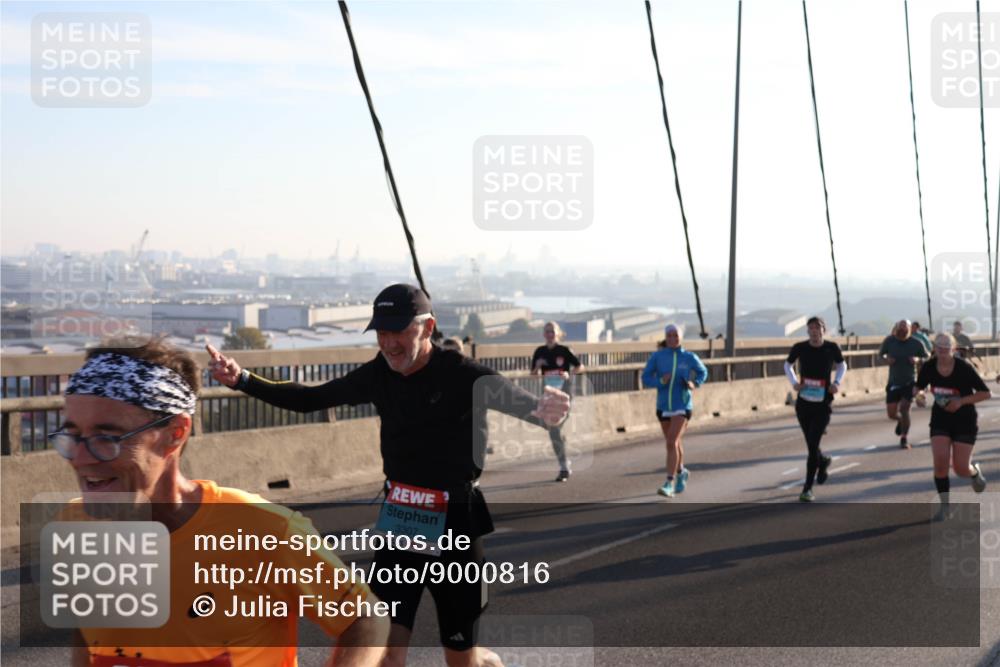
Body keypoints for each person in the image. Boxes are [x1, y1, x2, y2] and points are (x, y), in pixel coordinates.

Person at [207, 284, 570, 667]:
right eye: (381, 333)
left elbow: (534, 409)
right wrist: (243, 379)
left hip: (457, 522)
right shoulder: (377, 375)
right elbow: (309, 399)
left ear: (428, 328)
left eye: (399, 331)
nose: (390, 343)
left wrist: (553, 410)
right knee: (386, 654)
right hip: (403, 521)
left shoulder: (463, 375)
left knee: (460, 656)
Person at [53, 337, 388, 667]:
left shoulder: (261, 530)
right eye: (73, 436)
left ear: (175, 433)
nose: (81, 458)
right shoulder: (76, 524)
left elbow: (365, 619)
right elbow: (91, 636)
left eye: (107, 437)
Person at [913, 333, 989, 516]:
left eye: (947, 348)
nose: (943, 351)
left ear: (954, 349)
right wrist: (919, 394)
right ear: (934, 349)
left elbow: (985, 393)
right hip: (940, 419)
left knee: (960, 468)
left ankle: (973, 471)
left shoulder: (964, 368)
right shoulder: (929, 367)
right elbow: (919, 386)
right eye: (939, 347)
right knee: (940, 462)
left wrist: (961, 402)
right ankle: (945, 506)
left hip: (965, 420)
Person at [784, 317, 847, 502]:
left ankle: (807, 488)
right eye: (810, 328)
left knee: (812, 445)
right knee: (811, 443)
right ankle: (823, 461)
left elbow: (842, 365)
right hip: (804, 402)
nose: (813, 331)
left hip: (823, 403)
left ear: (823, 330)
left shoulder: (831, 347)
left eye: (817, 328)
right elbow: (787, 365)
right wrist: (794, 383)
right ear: (807, 331)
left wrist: (836, 383)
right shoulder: (800, 347)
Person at [641, 324, 708, 498]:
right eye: (669, 335)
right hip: (663, 406)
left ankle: (669, 482)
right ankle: (681, 472)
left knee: (671, 442)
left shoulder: (688, 357)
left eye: (675, 335)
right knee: (675, 443)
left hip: (682, 405)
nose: (672, 338)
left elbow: (703, 372)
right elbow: (645, 377)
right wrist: (661, 381)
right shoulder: (658, 357)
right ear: (666, 337)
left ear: (680, 337)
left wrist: (694, 384)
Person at [530, 321, 585, 482]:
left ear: (558, 333)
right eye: (547, 331)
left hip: (564, 396)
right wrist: (537, 367)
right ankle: (563, 458)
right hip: (548, 397)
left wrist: (570, 374)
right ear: (543, 334)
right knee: (553, 431)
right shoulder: (539, 352)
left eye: (552, 331)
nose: (550, 334)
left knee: (554, 429)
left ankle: (563, 467)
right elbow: (533, 375)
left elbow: (580, 367)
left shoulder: (564, 350)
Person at [879, 319, 928, 449]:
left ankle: (904, 438)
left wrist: (918, 359)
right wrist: (886, 359)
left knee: (904, 408)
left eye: (905, 328)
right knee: (891, 414)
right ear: (896, 328)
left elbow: (927, 356)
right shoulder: (889, 341)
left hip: (910, 382)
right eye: (900, 327)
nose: (902, 330)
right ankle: (901, 421)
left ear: (910, 329)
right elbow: (880, 355)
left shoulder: (916, 343)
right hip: (893, 382)